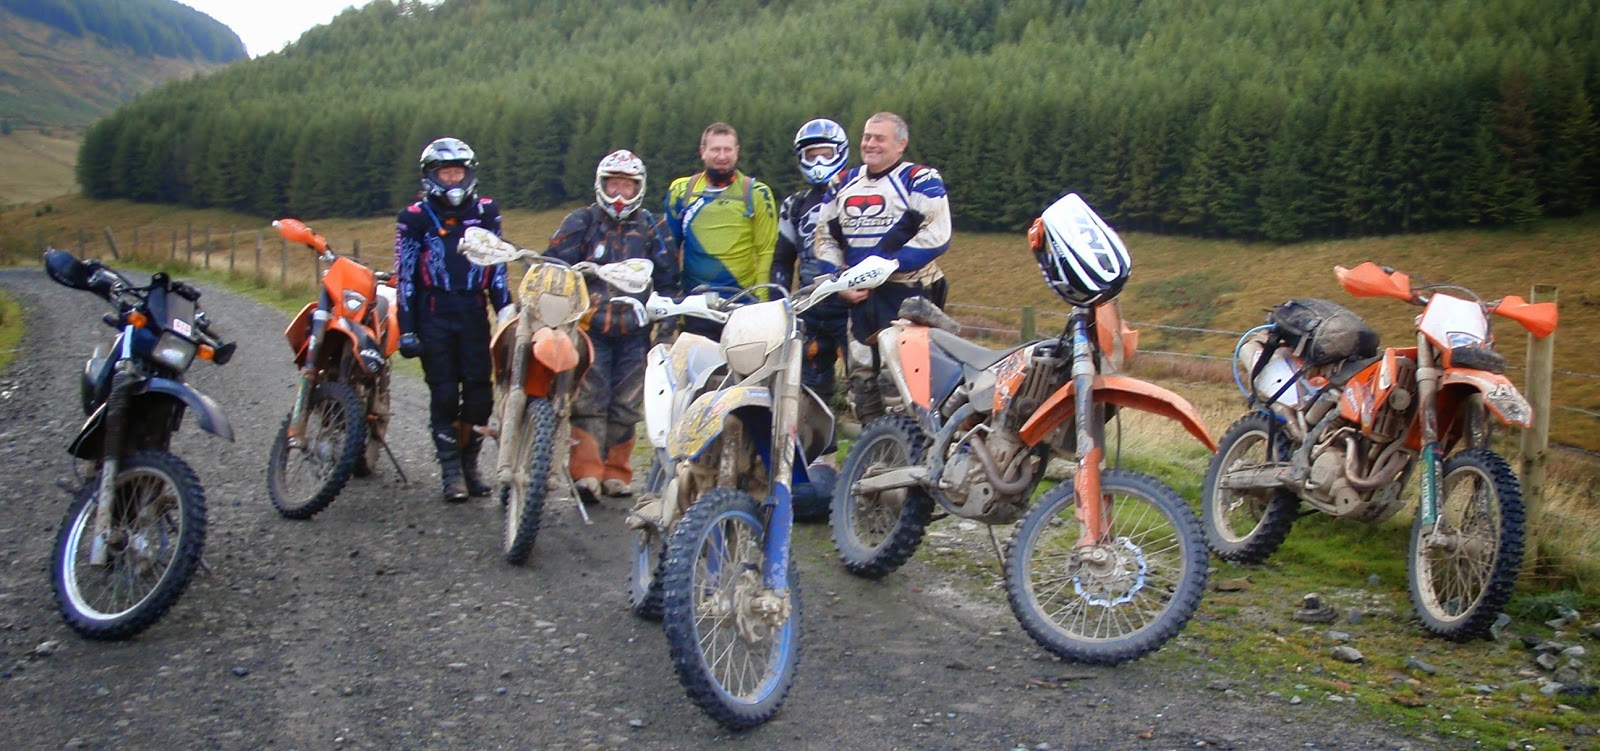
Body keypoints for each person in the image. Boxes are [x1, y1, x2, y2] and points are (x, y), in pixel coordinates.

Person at [545, 150, 679, 503]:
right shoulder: (581, 221)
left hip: (636, 332)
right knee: (589, 400)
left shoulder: (652, 226)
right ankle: (586, 472)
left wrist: (666, 331)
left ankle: (617, 473)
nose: (620, 194)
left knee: (626, 404)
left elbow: (668, 281)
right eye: (614, 184)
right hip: (589, 329)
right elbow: (554, 268)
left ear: (639, 188)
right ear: (601, 185)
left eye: (627, 186)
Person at [394, 137, 512, 503]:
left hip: (474, 311)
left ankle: (470, 464)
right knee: (444, 393)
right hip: (433, 312)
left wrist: (506, 311)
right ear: (432, 176)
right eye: (446, 173)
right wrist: (408, 328)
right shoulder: (414, 217)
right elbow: (406, 275)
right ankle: (450, 472)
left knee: (480, 395)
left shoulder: (487, 212)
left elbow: (497, 266)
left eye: (458, 172)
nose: (453, 181)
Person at [814, 112, 951, 423]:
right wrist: (838, 282)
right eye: (866, 136)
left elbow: (937, 234)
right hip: (860, 299)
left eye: (880, 138)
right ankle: (870, 454)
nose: (870, 143)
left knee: (903, 383)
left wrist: (888, 265)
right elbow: (825, 238)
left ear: (900, 144)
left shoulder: (919, 179)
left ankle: (910, 460)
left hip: (909, 295)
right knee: (861, 382)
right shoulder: (842, 182)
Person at [663, 122, 778, 338]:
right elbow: (669, 251)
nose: (722, 156)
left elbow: (765, 251)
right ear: (702, 152)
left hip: (741, 304)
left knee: (742, 370)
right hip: (694, 304)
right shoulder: (681, 191)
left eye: (727, 149)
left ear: (737, 152)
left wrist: (761, 302)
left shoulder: (756, 193)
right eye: (715, 149)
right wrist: (673, 302)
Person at [771, 118, 851, 403]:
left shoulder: (857, 195)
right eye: (811, 154)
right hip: (809, 304)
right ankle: (815, 446)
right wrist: (776, 305)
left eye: (825, 153)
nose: (818, 160)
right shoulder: (794, 206)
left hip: (851, 305)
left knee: (866, 383)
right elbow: (782, 260)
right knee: (805, 386)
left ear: (840, 152)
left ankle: (877, 444)